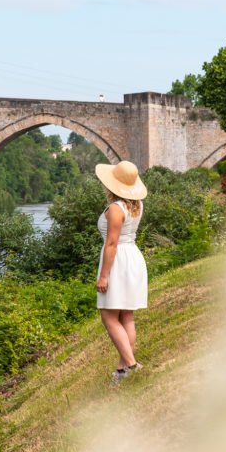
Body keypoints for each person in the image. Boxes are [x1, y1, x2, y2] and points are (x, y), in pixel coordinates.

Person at [95, 160, 148, 384]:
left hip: (118, 261)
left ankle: (133, 365)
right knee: (126, 315)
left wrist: (104, 275)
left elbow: (111, 244)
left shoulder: (116, 209)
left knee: (109, 317)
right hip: (133, 257)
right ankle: (122, 370)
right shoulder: (137, 205)